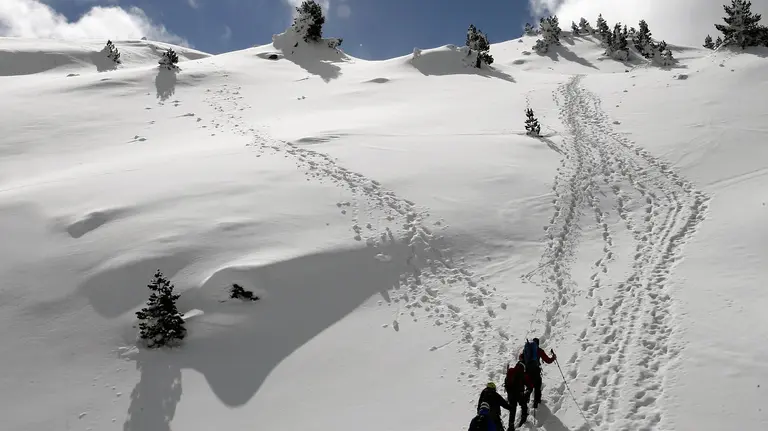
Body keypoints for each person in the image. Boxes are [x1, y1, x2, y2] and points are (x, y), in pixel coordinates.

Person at [518, 337, 556, 409]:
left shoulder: (526, 350)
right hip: (536, 370)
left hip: (527, 371)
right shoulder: (539, 350)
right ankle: (537, 402)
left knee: (530, 385)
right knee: (537, 385)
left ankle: (527, 397)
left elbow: (520, 357)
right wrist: (553, 357)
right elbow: (547, 360)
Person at [504, 360, 532, 430]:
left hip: (511, 394)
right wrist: (527, 392)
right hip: (519, 393)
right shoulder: (523, 373)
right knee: (523, 405)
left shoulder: (511, 371)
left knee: (512, 409)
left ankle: (511, 426)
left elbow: (506, 382)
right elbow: (530, 385)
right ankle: (524, 418)